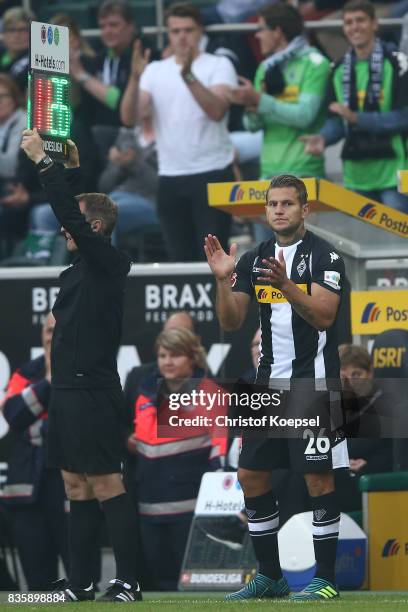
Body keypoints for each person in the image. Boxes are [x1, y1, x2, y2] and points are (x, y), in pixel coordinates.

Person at [204, 173, 349, 601]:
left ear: (306, 209)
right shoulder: (253, 259)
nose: (280, 210)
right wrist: (222, 278)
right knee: (250, 474)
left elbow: (324, 317)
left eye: (288, 203)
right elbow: (231, 323)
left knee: (318, 479)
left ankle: (325, 580)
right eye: (273, 204)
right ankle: (270, 576)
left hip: (314, 383)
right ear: (265, 210)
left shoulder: (326, 258)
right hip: (267, 385)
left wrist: (285, 285)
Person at [20, 129, 141, 603]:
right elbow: (76, 211)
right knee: (75, 484)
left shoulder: (109, 263)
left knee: (107, 482)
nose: (63, 230)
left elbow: (71, 213)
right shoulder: (73, 268)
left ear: (93, 229)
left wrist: (47, 168)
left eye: (73, 225)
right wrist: (71, 170)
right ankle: (80, 584)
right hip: (66, 391)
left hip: (94, 391)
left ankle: (127, 581)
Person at [120, 2, 237, 262]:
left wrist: (188, 76)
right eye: (175, 31)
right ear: (168, 33)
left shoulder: (218, 65)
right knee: (179, 260)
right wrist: (134, 79)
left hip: (213, 173)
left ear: (200, 31)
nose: (182, 37)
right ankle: (186, 306)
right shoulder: (155, 70)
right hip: (170, 176)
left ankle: (217, 305)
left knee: (214, 260)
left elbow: (216, 110)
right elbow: (129, 118)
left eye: (188, 30)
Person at [128, 328, 225, 589]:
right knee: (160, 584)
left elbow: (220, 448)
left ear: (192, 357)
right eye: (162, 355)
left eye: (175, 355)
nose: (167, 361)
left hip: (191, 510)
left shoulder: (209, 391)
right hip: (149, 505)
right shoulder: (145, 392)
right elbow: (144, 441)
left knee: (192, 587)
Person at [229, 3, 330, 241]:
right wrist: (250, 105)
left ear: (278, 32)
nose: (257, 35)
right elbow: (252, 124)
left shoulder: (316, 63)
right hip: (269, 176)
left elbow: (305, 116)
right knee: (267, 265)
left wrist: (260, 101)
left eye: (261, 28)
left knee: (304, 261)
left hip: (304, 172)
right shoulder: (266, 67)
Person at [302, 0, 408, 213]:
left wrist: (356, 118)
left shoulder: (398, 62)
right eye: (349, 22)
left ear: (375, 24)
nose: (354, 27)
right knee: (365, 247)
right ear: (343, 29)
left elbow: (403, 118)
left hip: (393, 176)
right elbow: (337, 122)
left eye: (360, 20)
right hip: (355, 177)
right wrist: (323, 138)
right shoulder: (337, 68)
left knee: (400, 246)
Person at [1, 313, 71, 591]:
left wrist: (37, 417)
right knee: (39, 587)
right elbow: (14, 414)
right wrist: (49, 382)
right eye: (48, 330)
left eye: (58, 330)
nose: (52, 336)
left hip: (69, 490)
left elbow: (72, 427)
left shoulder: (85, 373)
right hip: (27, 494)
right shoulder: (26, 373)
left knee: (81, 580)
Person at [68, 0, 151, 129]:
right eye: (102, 26)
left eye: (114, 25)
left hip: (131, 132)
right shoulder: (99, 57)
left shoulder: (145, 56)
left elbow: (121, 102)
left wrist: (82, 76)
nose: (107, 31)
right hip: (98, 133)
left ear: (131, 26)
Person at [336, 344, 393, 511]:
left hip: (371, 482)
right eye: (342, 376)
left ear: (370, 373)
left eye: (356, 375)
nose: (349, 383)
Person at [0, 73, 27, 252]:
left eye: (3, 96)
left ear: (14, 97)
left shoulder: (22, 121)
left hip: (16, 186)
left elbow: (10, 166)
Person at [0, 7, 33, 96]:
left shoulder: (36, 61)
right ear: (3, 34)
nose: (16, 35)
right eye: (11, 30)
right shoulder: (2, 55)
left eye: (22, 30)